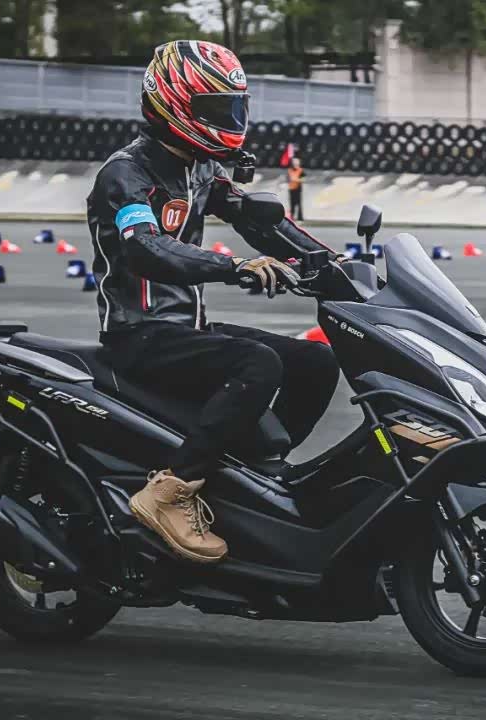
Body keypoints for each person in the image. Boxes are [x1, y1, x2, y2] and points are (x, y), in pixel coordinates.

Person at [86, 40, 340, 564]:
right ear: (174, 102)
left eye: (233, 107)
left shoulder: (200, 169)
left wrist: (333, 264)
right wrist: (234, 266)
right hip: (138, 335)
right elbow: (146, 248)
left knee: (316, 361)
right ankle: (170, 491)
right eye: (216, 108)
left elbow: (257, 221)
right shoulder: (126, 175)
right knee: (258, 363)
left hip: (187, 330)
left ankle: (248, 476)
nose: (229, 120)